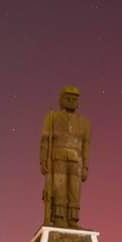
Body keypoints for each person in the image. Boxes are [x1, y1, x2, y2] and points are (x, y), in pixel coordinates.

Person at [40, 85, 91, 227]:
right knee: (59, 188)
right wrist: (43, 160)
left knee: (74, 190)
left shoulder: (85, 123)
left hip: (76, 160)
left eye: (74, 99)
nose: (71, 101)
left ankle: (72, 219)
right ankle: (59, 218)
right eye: (68, 98)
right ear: (61, 100)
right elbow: (45, 140)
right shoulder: (52, 118)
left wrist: (85, 166)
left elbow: (86, 146)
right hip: (58, 157)